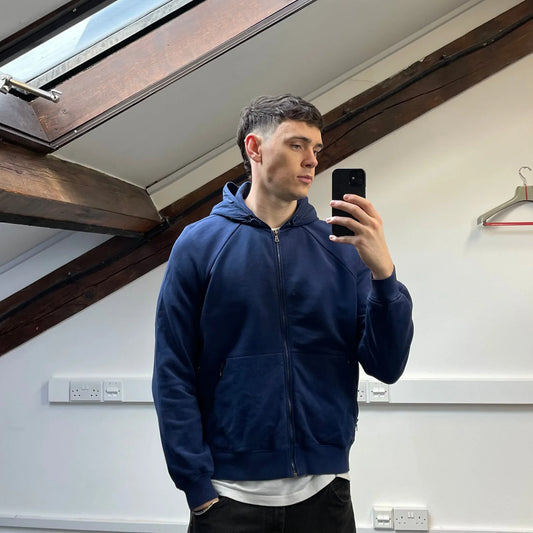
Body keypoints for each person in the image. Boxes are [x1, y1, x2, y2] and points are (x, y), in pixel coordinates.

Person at [152, 94, 414, 533]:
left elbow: (387, 366)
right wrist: (197, 489)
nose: (312, 160)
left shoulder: (341, 250)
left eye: (316, 148)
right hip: (226, 499)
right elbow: (172, 369)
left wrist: (384, 273)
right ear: (254, 148)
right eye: (297, 145)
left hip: (324, 494)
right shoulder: (198, 244)